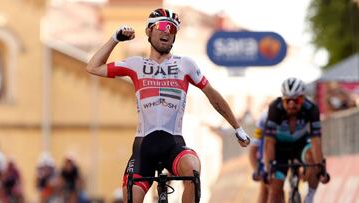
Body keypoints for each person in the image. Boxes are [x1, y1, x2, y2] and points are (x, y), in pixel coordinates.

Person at [85, 8, 251, 203]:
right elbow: (93, 66)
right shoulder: (136, 64)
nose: (167, 31)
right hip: (143, 149)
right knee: (131, 197)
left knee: (192, 170)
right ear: (148, 31)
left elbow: (212, 95)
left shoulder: (186, 65)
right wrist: (115, 38)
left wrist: (237, 127)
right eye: (162, 26)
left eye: (172, 29)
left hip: (173, 145)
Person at [264, 77, 330, 203]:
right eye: (287, 100)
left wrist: (320, 167)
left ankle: (309, 197)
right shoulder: (275, 108)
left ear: (303, 98)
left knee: (313, 159)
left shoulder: (311, 109)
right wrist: (269, 169)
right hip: (280, 149)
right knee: (274, 191)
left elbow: (316, 140)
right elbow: (269, 142)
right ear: (282, 99)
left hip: (301, 145)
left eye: (297, 100)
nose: (291, 104)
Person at [248, 110, 269, 203]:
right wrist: (257, 170)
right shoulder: (263, 118)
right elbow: (253, 148)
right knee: (265, 188)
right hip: (264, 157)